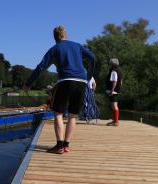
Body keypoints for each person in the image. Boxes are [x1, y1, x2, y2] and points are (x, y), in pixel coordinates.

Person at [23, 25, 95, 154]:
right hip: (81, 82)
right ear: (65, 35)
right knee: (73, 115)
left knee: (58, 113)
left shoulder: (55, 49)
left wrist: (28, 84)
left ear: (55, 37)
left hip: (66, 81)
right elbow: (92, 58)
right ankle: (66, 145)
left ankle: (59, 146)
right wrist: (88, 77)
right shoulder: (77, 46)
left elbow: (41, 67)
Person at [106, 58, 122, 126]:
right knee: (113, 106)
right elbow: (121, 82)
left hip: (113, 91)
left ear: (112, 64)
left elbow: (114, 81)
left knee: (114, 106)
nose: (109, 65)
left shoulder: (114, 71)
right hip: (116, 90)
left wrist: (112, 91)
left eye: (110, 64)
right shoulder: (120, 70)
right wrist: (118, 89)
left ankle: (115, 122)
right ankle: (114, 120)